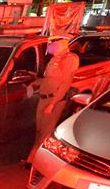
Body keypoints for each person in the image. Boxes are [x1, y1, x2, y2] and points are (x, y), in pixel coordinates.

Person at [27, 36, 79, 165]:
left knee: (46, 132)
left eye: (52, 43)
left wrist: (52, 104)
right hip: (43, 98)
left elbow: (65, 84)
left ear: (60, 44)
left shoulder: (70, 59)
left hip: (53, 100)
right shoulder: (55, 59)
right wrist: (34, 83)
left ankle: (34, 161)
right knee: (39, 130)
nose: (49, 45)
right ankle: (34, 158)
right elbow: (49, 79)